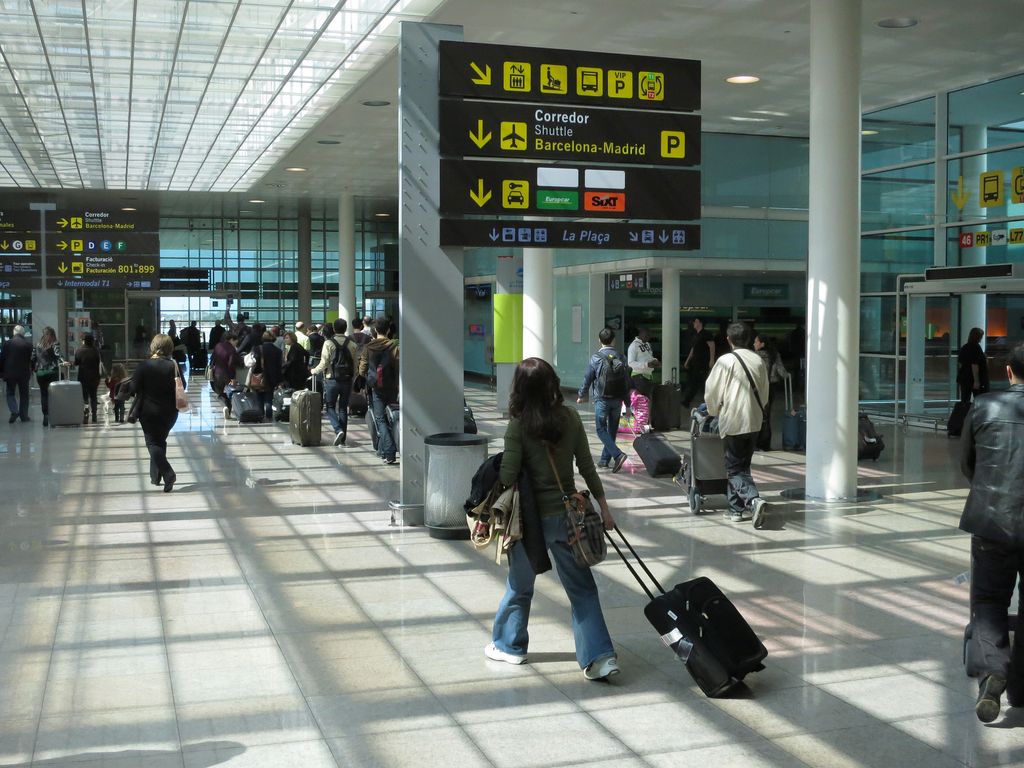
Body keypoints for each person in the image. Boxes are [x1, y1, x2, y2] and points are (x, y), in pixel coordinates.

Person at [487, 357, 619, 680]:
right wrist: (604, 507)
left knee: (520, 585)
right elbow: (587, 466)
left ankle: (510, 646)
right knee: (582, 589)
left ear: (520, 388)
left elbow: (507, 475)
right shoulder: (570, 418)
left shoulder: (518, 425)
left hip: (528, 523)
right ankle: (600, 658)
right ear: (552, 384)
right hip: (567, 517)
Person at [959, 342, 1024, 723]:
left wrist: (988, 491)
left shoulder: (983, 406)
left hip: (992, 522)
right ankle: (1021, 686)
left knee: (988, 601)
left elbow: (969, 463)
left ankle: (995, 669)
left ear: (1009, 372)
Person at [704, 322, 770, 527]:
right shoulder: (758, 360)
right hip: (754, 420)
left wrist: (713, 411)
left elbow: (712, 391)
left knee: (733, 469)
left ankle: (753, 500)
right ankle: (735, 509)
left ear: (728, 339)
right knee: (743, 466)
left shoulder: (725, 361)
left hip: (733, 420)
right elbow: (765, 392)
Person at [130, 334, 180, 492]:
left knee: (152, 443)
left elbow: (133, 389)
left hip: (149, 412)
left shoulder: (144, 365)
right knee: (160, 441)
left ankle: (168, 473)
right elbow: (181, 386)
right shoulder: (173, 366)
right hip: (170, 412)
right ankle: (155, 477)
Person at [576, 327, 628, 472]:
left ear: (599, 340)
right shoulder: (621, 357)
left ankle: (617, 455)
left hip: (602, 399)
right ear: (613, 340)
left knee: (600, 429)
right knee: (611, 430)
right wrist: (628, 404)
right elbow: (626, 381)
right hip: (617, 400)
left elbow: (588, 377)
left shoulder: (596, 357)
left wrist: (581, 395)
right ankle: (604, 460)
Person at [357, 317, 400, 464]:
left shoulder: (368, 347)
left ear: (375, 330)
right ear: (388, 330)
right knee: (392, 417)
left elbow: (362, 370)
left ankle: (388, 451)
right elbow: (399, 367)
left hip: (376, 387)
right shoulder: (394, 346)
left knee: (380, 419)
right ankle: (383, 449)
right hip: (392, 386)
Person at [312, 319, 355, 446]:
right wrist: (354, 377)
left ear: (334, 329)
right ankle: (342, 440)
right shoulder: (352, 344)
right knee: (343, 408)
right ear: (346, 328)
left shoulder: (328, 343)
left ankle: (338, 429)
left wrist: (314, 370)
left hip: (332, 380)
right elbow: (355, 364)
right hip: (347, 380)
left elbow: (324, 362)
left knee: (329, 406)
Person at [753, 334, 788, 451]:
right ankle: (765, 444)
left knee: (756, 414)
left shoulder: (754, 356)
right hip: (771, 386)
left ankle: (755, 442)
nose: (754, 344)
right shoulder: (774, 354)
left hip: (758, 388)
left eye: (756, 342)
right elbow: (781, 370)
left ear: (762, 344)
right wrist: (788, 376)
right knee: (766, 415)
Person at [2, 325, 35, 423]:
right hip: (24, 373)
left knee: (10, 393)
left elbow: (2, 358)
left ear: (14, 333)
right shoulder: (28, 345)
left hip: (10, 373)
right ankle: (24, 416)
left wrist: (1, 372)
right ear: (23, 333)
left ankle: (14, 410)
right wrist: (32, 369)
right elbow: (32, 359)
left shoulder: (7, 344)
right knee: (24, 395)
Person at [33, 326, 64, 427]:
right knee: (53, 395)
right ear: (52, 334)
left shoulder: (38, 344)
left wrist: (34, 368)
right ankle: (53, 416)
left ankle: (45, 414)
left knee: (44, 394)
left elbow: (33, 357)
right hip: (52, 371)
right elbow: (58, 354)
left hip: (40, 373)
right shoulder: (54, 343)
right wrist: (64, 361)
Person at [681, 317, 715, 408]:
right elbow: (693, 349)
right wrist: (687, 361)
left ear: (700, 323)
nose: (694, 323)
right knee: (696, 382)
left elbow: (712, 346)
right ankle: (688, 401)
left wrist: (711, 360)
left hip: (703, 362)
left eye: (695, 321)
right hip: (695, 362)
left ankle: (688, 401)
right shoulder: (696, 335)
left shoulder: (706, 334)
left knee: (698, 382)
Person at [253, 330, 283, 422]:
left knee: (259, 398)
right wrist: (280, 380)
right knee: (269, 398)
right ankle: (269, 416)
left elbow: (253, 363)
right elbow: (279, 366)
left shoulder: (257, 349)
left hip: (259, 376)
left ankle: (260, 416)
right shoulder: (278, 351)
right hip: (272, 377)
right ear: (273, 339)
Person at [211, 332, 243, 417]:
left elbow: (213, 358)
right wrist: (232, 378)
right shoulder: (232, 349)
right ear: (232, 340)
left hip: (217, 372)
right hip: (227, 374)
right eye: (236, 341)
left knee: (220, 392)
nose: (236, 343)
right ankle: (228, 408)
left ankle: (226, 405)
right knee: (231, 391)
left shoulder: (218, 346)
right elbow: (231, 364)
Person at [74, 333, 102, 425]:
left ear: (84, 341)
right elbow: (98, 362)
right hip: (94, 377)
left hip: (83, 377)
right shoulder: (96, 351)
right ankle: (94, 416)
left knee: (85, 397)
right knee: (93, 396)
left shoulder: (79, 351)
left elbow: (76, 363)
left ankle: (86, 415)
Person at [957, 327, 989, 406]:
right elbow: (974, 365)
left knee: (965, 400)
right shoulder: (976, 348)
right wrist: (976, 381)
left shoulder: (964, 347)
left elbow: (960, 363)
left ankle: (964, 416)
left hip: (964, 378)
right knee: (980, 400)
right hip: (973, 378)